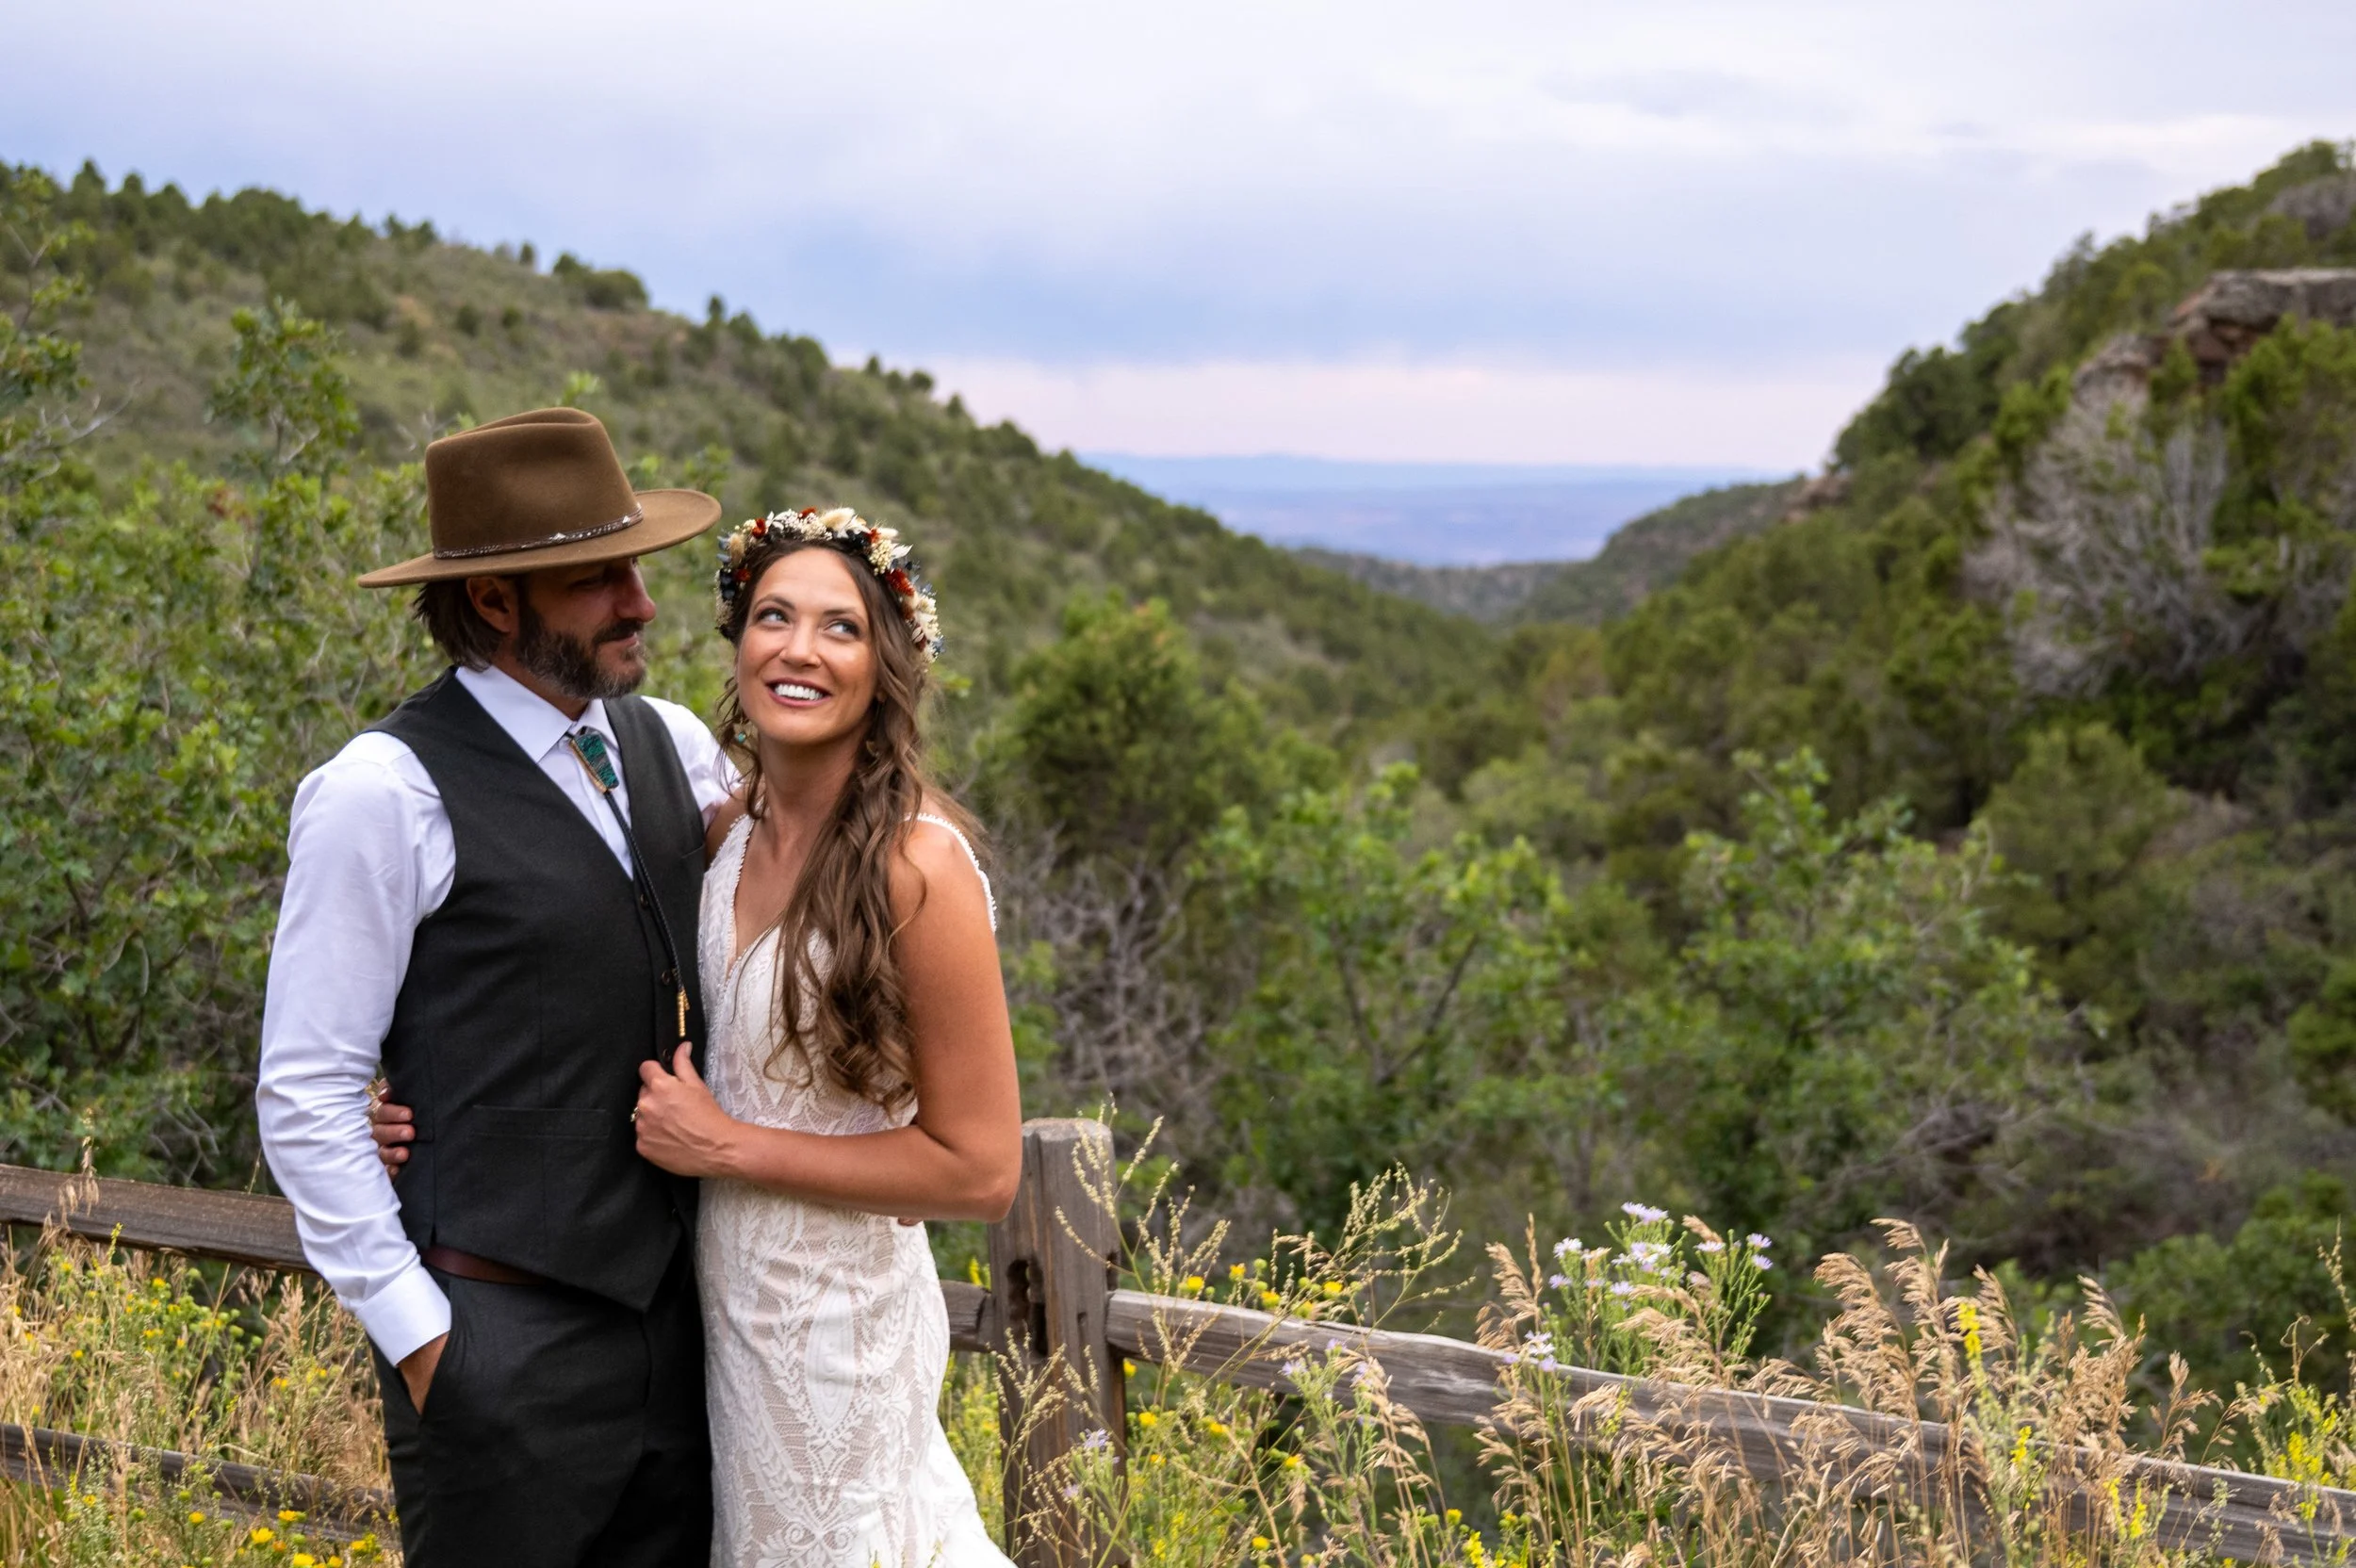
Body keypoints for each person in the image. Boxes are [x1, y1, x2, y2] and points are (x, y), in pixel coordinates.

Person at [372, 506, 1027, 1565]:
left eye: (841, 627)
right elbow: (579, 971)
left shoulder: (921, 866)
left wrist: (725, 1146)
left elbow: (982, 1169)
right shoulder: (719, 825)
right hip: (710, 1329)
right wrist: (421, 1098)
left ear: (888, 662)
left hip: (843, 1328)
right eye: (774, 615)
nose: (800, 648)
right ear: (739, 639)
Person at [256, 406, 732, 1568]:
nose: (640, 600)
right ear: (494, 601)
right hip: (493, 1337)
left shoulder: (671, 743)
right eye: (598, 578)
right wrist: (427, 1344)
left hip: (687, 1340)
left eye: (634, 565)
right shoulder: (381, 790)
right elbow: (306, 1089)